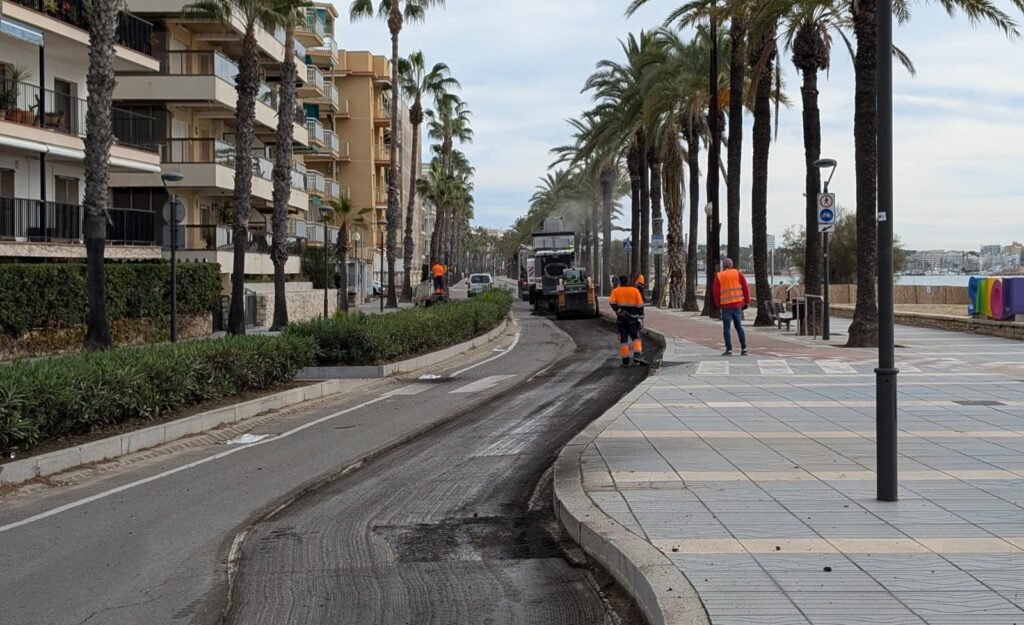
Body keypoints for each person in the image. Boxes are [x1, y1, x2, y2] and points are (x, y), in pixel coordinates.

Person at [712, 257, 750, 356]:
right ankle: (744, 348)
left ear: (723, 266)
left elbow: (716, 292)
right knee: (739, 327)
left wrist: (718, 304)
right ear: (731, 265)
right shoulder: (738, 273)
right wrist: (746, 301)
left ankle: (729, 349)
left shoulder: (719, 276)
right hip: (737, 305)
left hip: (725, 306)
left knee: (726, 328)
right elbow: (745, 288)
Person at [609, 274, 646, 367]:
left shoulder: (615, 291)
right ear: (628, 281)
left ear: (620, 282)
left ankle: (625, 361)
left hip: (621, 320)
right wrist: (641, 317)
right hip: (633, 319)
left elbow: (611, 302)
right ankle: (637, 356)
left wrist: (618, 310)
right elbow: (640, 305)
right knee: (636, 338)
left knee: (623, 340)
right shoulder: (635, 291)